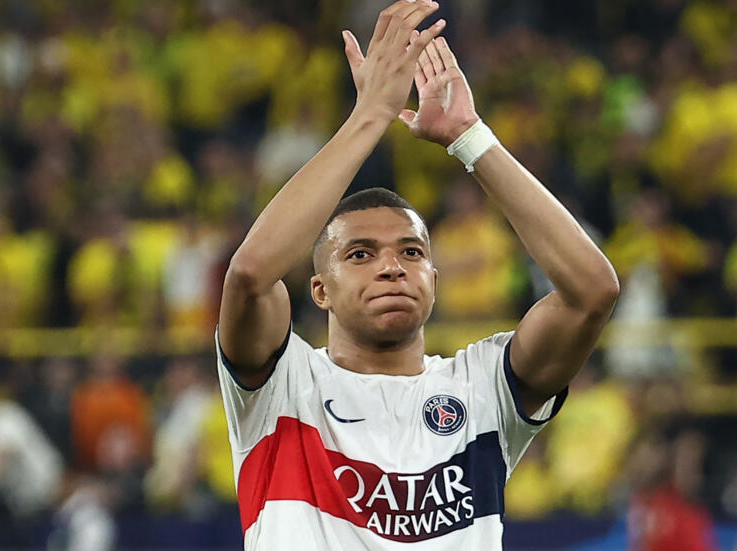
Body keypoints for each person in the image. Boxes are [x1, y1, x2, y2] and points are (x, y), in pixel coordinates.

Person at [215, 1, 620, 549]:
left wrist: (470, 137)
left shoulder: (482, 388)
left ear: (434, 278)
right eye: (360, 254)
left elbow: (593, 292)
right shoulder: (282, 387)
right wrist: (369, 116)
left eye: (410, 252)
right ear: (320, 290)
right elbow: (250, 275)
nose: (391, 267)